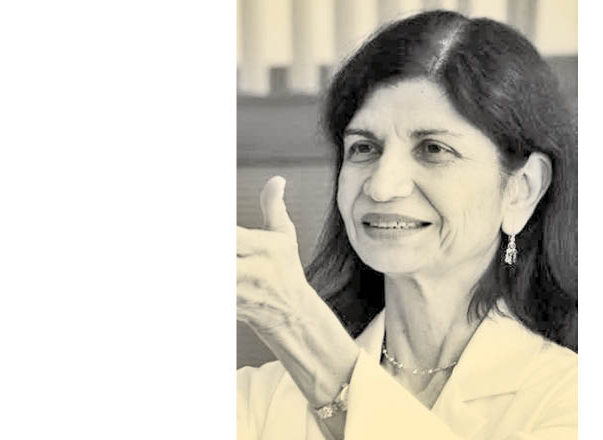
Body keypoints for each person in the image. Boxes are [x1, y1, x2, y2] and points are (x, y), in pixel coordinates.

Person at [237, 9, 577, 440]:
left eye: (433, 149)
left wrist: (299, 328)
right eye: (364, 148)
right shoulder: (258, 397)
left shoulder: (571, 398)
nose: (382, 186)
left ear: (521, 189)